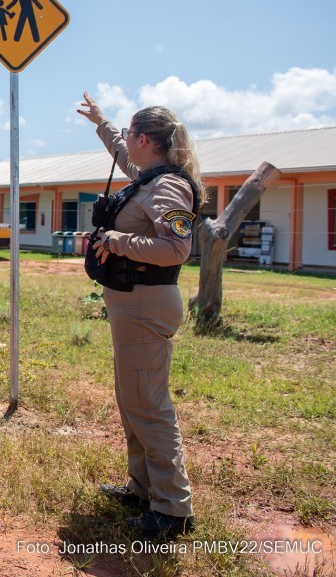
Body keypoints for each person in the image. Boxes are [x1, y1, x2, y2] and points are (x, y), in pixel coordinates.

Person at [77, 93, 202, 541]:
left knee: (149, 405)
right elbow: (119, 151)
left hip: (147, 302)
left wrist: (114, 238)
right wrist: (102, 122)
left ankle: (173, 509)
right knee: (132, 400)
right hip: (132, 303)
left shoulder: (169, 186)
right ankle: (142, 487)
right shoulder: (149, 177)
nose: (125, 141)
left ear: (145, 139)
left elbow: (176, 248)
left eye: (130, 134)